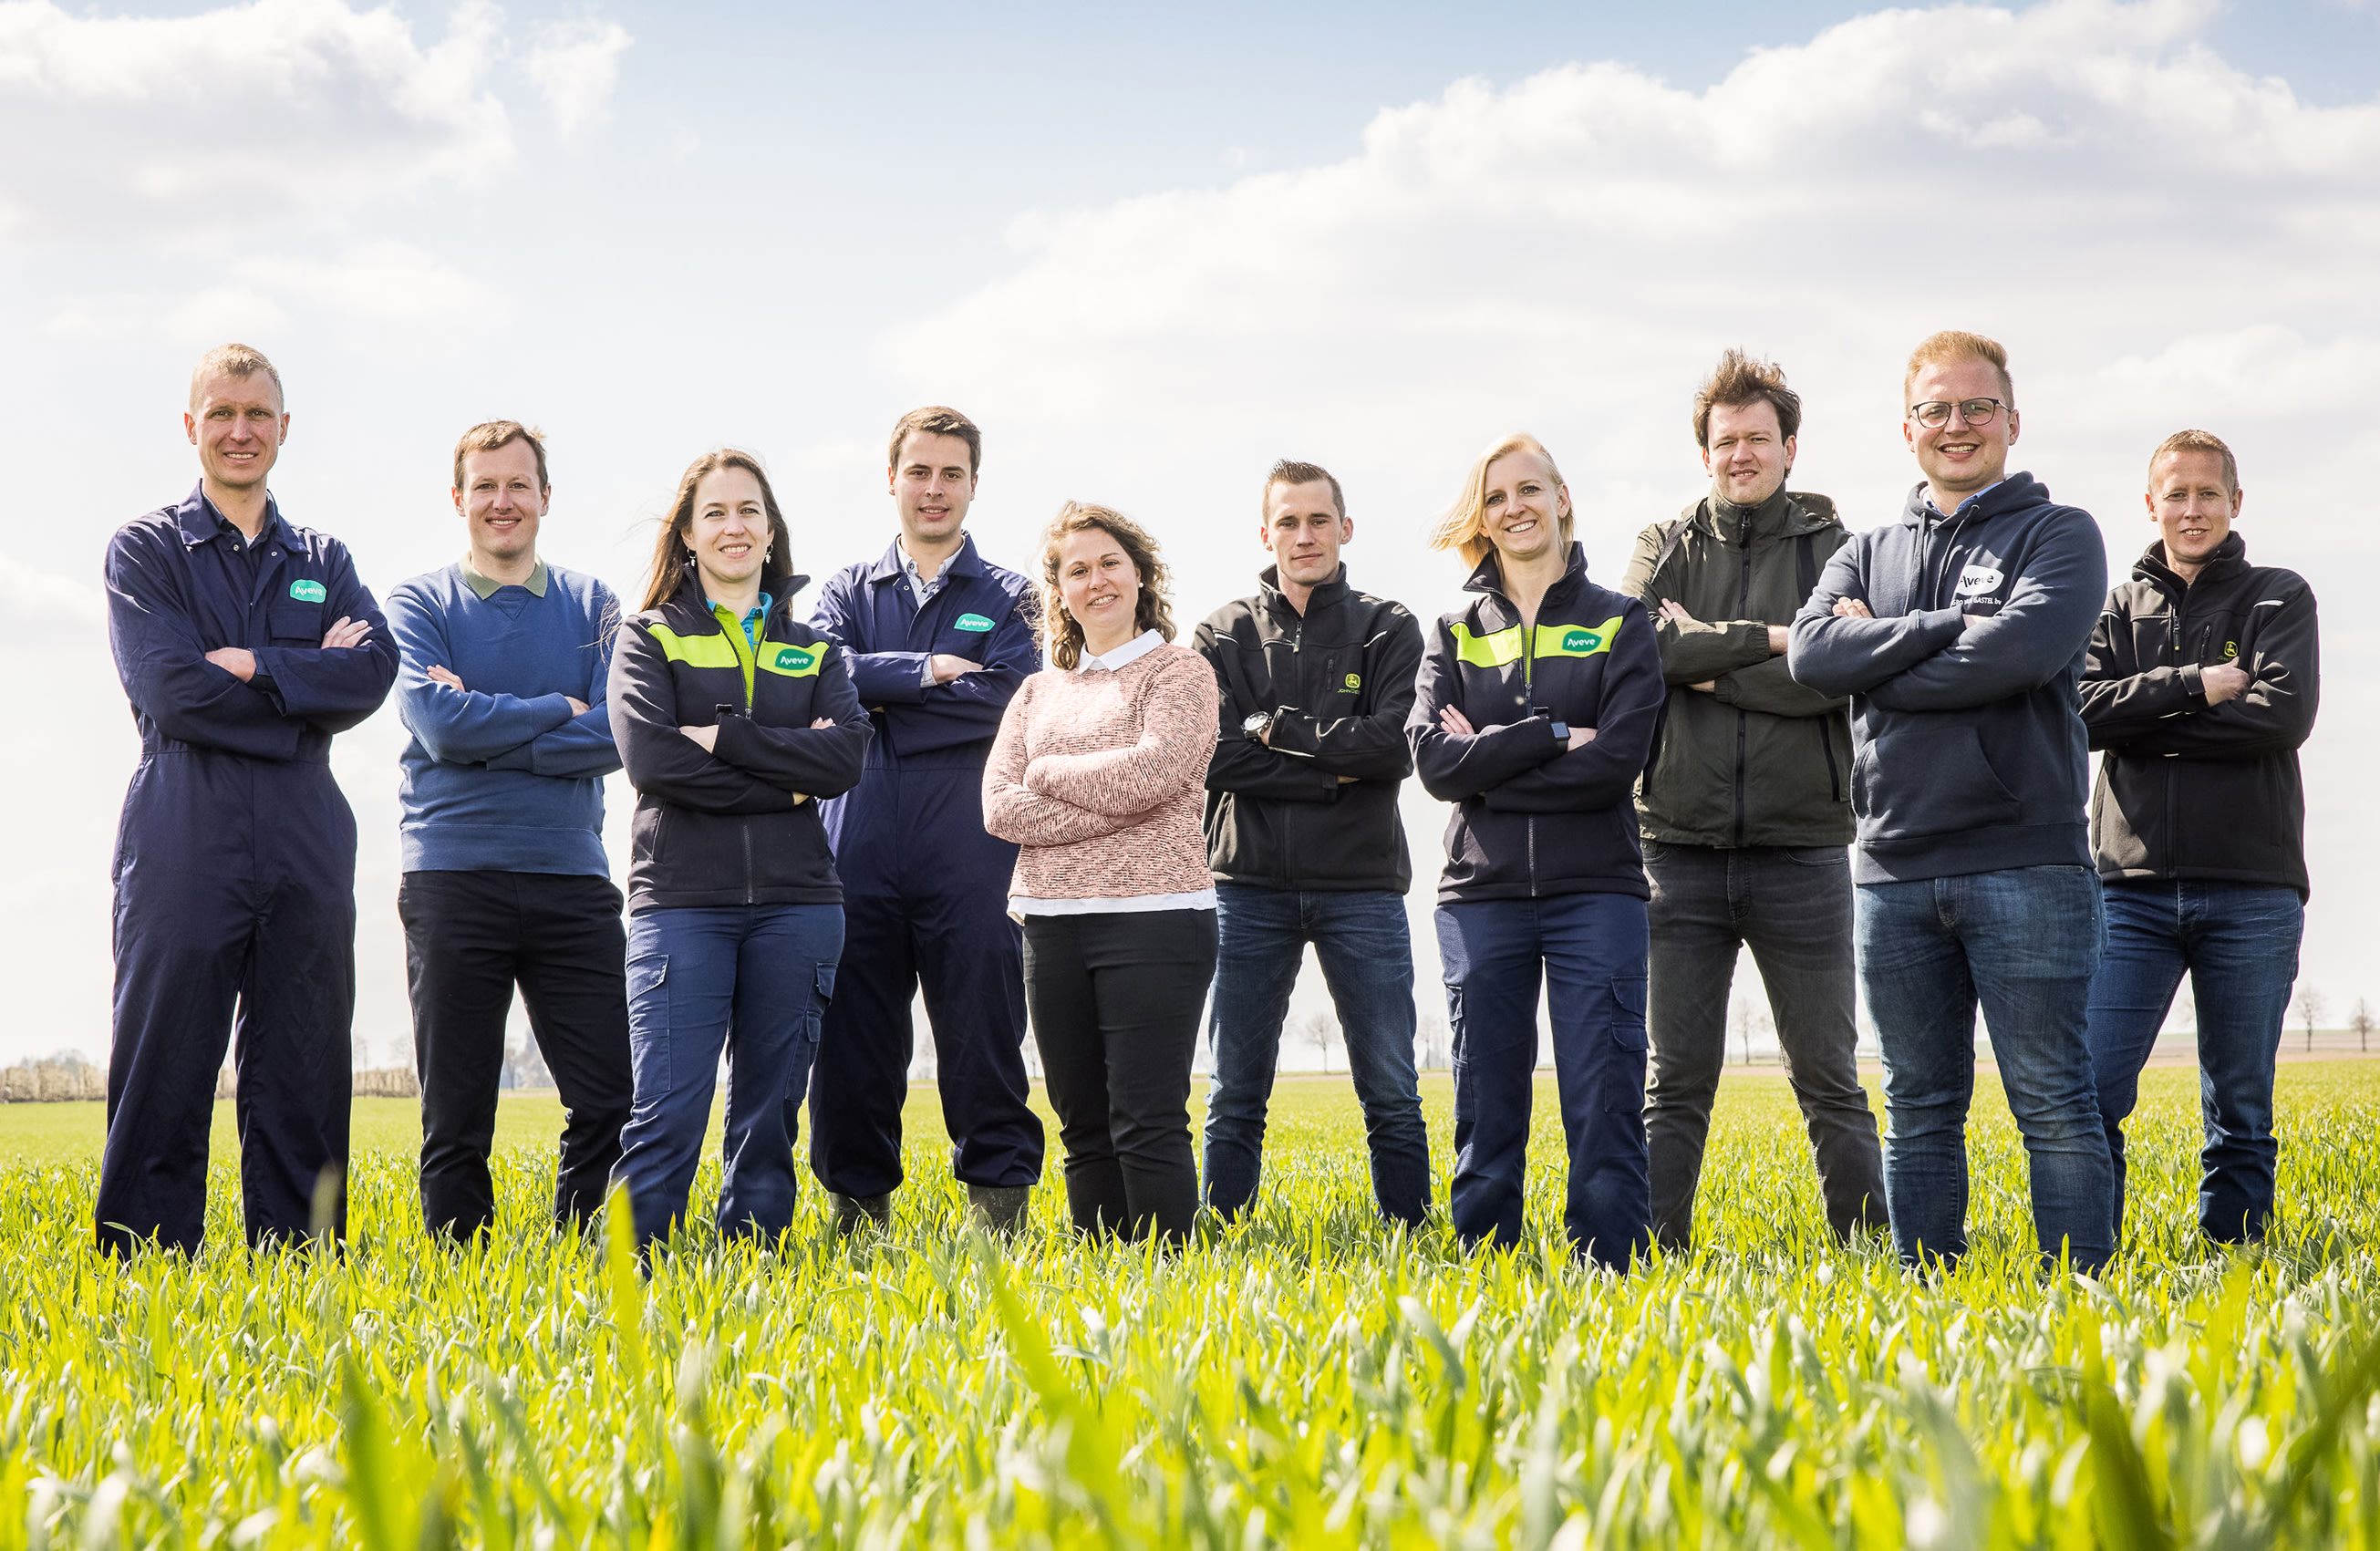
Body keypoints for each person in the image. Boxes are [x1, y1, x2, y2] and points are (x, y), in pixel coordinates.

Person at [1788, 330, 2116, 1273]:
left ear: (2012, 420)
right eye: (1936, 409)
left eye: (1977, 407)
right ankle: (1929, 1298)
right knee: (1918, 1105)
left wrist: (1879, 655)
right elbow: (1811, 655)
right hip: (1892, 871)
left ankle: (2082, 1301)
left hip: (2027, 863)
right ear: (1909, 428)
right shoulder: (1864, 550)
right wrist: (1943, 628)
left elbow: (2019, 653)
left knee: (2053, 1101)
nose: (1957, 425)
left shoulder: (2060, 534)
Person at [97, 343, 398, 1254]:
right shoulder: (148, 550)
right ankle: (145, 1268)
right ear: (191, 425)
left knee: (305, 1061)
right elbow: (172, 693)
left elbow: (374, 670)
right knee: (166, 1059)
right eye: (222, 413)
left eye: (257, 413)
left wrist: (258, 665)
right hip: (184, 822)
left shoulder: (323, 558)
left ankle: (304, 1266)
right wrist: (306, 693)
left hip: (306, 833)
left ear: (284, 428)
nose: (240, 430)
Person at [1621, 351, 1887, 1251]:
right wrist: (1779, 639)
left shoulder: (1840, 550)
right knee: (1674, 1081)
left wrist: (1707, 668)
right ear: (1705, 453)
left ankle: (1868, 1253)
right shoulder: (1663, 543)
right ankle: (1651, 1258)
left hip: (1801, 848)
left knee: (1829, 1076)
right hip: (1675, 849)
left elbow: (1837, 672)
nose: (1741, 454)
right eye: (1726, 440)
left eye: (1758, 438)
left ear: (1790, 448)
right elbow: (1639, 648)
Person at [1407, 433, 1666, 1268]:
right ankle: (1487, 1266)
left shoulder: (1620, 620)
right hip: (1479, 895)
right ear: (1481, 518)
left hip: (1598, 891)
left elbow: (1616, 764)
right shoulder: (1451, 632)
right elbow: (1434, 765)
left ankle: (1611, 1268)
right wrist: (1552, 735)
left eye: (1529, 489)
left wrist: (1489, 763)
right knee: (1485, 1099)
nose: (1514, 506)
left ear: (1562, 499)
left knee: (1606, 1095)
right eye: (1495, 496)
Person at [606, 450, 872, 1247]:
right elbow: (654, 761)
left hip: (800, 905)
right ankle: (629, 1277)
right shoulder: (648, 636)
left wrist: (725, 738)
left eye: (749, 510)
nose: (734, 526)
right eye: (715, 512)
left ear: (771, 529)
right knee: (667, 1113)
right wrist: (789, 780)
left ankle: (752, 1274)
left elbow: (847, 757)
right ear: (688, 534)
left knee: (769, 1119)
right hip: (681, 903)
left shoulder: (816, 648)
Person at [386, 420, 634, 1241]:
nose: (503, 501)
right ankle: (463, 1272)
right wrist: (556, 707)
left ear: (545, 497)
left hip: (572, 876)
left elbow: (617, 735)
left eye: (518, 485)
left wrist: (484, 726)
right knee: (456, 1112)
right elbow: (438, 726)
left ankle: (586, 1252)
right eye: (485, 486)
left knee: (611, 1094)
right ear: (458, 498)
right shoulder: (419, 603)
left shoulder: (595, 606)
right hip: (452, 874)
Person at [806, 408, 1044, 1235]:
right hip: (855, 843)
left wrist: (879, 699)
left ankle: (998, 1205)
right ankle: (856, 1207)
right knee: (852, 1037)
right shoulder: (844, 590)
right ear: (891, 479)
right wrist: (931, 671)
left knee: (983, 1028)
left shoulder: (1013, 596)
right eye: (919, 471)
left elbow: (1008, 700)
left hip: (970, 847)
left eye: (951, 473)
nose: (934, 488)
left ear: (974, 484)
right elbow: (821, 677)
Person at [2080, 429, 2319, 1246]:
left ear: (2235, 502)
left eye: (2207, 493)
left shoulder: (2279, 597)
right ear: (2150, 504)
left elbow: (2281, 717)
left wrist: (2145, 718)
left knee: (2240, 1104)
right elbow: (2078, 715)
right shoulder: (2114, 608)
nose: (2192, 509)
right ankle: (2090, 1267)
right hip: (2127, 894)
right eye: (2176, 494)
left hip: (2252, 890)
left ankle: (2234, 1262)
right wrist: (2197, 687)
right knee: (2091, 1090)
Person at [1195, 459, 1431, 1227]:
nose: (1304, 535)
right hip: (1246, 887)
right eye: (1288, 522)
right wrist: (1334, 774)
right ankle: (1221, 1235)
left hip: (1361, 886)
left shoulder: (1388, 626)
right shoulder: (1220, 633)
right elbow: (1212, 757)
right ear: (1265, 534)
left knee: (1392, 1086)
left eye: (1319, 520)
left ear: (1345, 528)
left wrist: (1278, 731)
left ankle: (1411, 1232)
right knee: (1235, 1088)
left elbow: (1392, 748)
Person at [982, 502, 1220, 1244]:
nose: (1097, 580)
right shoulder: (1036, 692)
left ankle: (1172, 1286)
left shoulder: (1179, 671)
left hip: (1157, 916)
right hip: (1050, 923)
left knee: (1146, 1119)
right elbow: (999, 807)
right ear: (1060, 591)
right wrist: (1122, 806)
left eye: (1110, 562)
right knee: (1082, 1124)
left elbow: (1155, 773)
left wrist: (1048, 772)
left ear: (1140, 573)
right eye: (1077, 570)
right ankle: (1105, 1280)